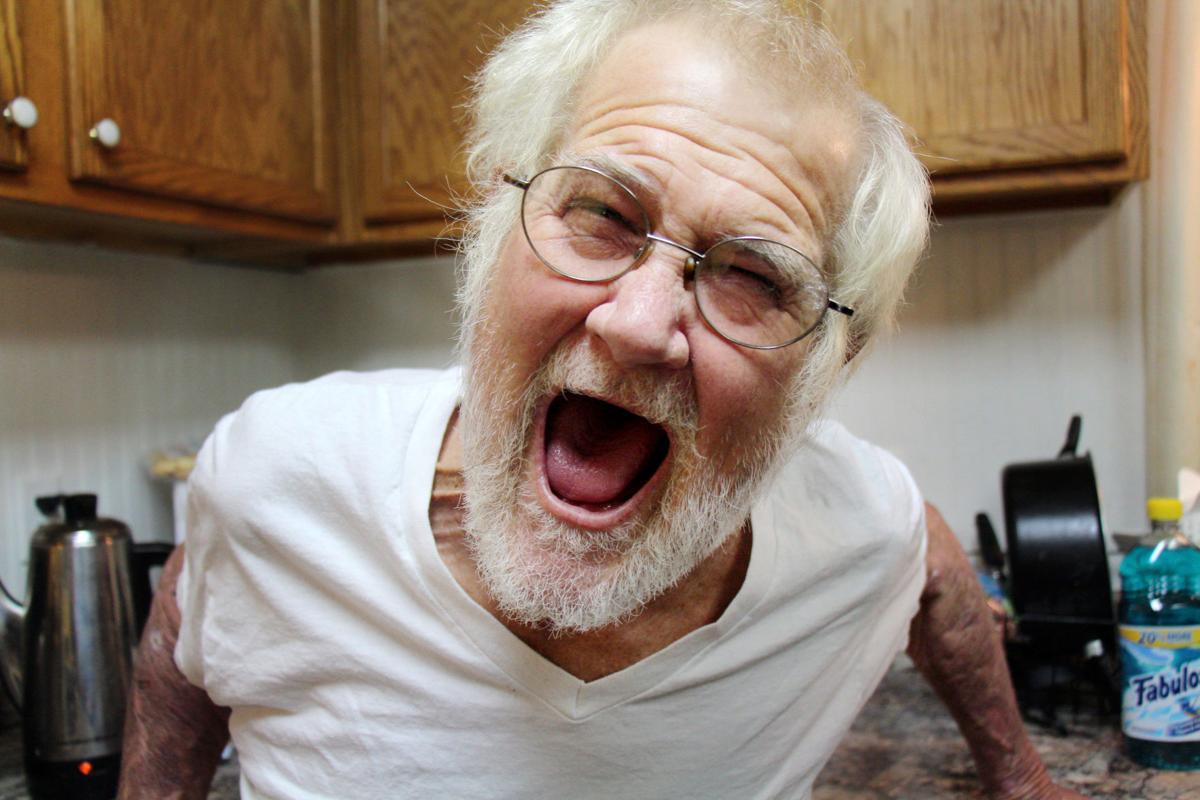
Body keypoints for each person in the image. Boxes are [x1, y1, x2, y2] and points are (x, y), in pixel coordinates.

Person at [119, 1, 1088, 798]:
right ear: (496, 223)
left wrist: (1021, 774)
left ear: (830, 367)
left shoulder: (853, 523)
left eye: (753, 273)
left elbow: (931, 563)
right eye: (602, 214)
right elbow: (182, 634)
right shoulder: (281, 469)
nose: (636, 322)